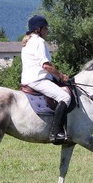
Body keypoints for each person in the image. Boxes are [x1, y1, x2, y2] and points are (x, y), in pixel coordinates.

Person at [21, 15, 71, 144]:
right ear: (38, 29)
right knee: (65, 97)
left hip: (29, 79)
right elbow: (46, 66)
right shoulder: (39, 42)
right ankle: (56, 132)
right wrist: (61, 76)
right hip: (38, 80)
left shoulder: (28, 42)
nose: (47, 31)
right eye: (45, 28)